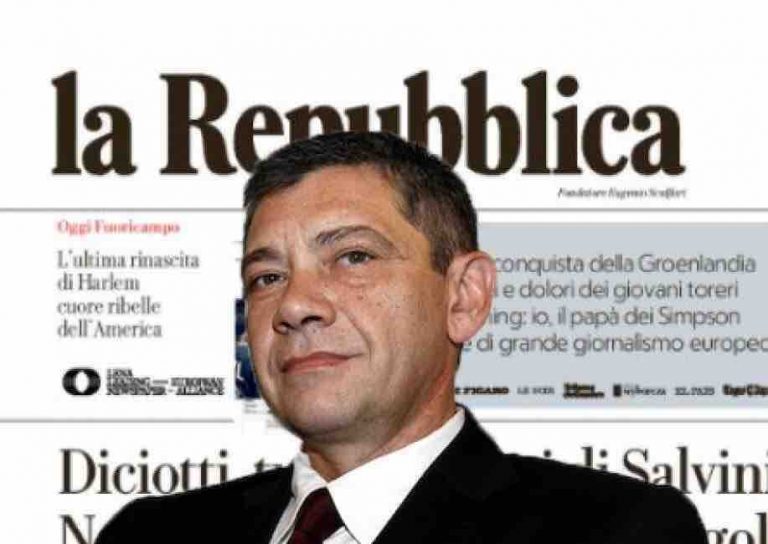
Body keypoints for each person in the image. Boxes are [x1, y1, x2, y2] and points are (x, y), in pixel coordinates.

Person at [96, 131, 707, 543]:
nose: (295, 305)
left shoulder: (614, 530)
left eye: (354, 257)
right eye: (267, 277)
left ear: (464, 297)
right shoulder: (149, 535)